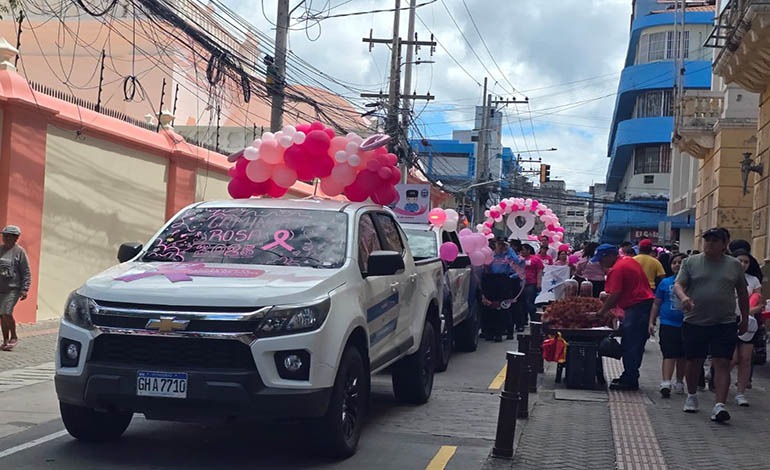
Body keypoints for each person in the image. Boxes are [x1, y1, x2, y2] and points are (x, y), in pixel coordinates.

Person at [674, 227, 748, 423]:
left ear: (724, 244)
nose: (710, 244)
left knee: (722, 362)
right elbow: (678, 284)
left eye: (715, 241)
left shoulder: (734, 266)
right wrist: (684, 297)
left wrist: (746, 319)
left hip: (724, 321)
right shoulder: (691, 262)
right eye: (707, 240)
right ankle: (691, 396)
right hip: (695, 321)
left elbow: (742, 293)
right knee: (693, 361)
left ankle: (719, 405)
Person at [593, 244, 654, 391]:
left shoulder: (617, 269)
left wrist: (602, 311)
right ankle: (629, 375)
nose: (600, 264)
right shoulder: (629, 261)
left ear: (610, 256)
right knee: (635, 343)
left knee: (631, 344)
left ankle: (630, 379)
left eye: (601, 260)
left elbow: (615, 294)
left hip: (636, 307)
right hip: (642, 305)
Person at [648, 253, 687, 398]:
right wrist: (651, 321)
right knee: (669, 353)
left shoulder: (693, 283)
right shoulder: (665, 283)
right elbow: (657, 303)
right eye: (674, 262)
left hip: (687, 324)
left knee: (682, 355)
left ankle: (679, 381)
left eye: (680, 262)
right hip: (667, 323)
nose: (677, 265)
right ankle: (665, 382)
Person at [730, 249, 762, 407]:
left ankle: (741, 392)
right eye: (740, 261)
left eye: (746, 262)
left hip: (748, 323)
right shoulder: (727, 277)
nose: (743, 264)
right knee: (732, 358)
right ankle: (719, 380)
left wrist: (747, 311)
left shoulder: (754, 280)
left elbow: (759, 303)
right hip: (729, 320)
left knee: (746, 359)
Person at [481, 238, 524, 342]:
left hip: (505, 281)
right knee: (491, 307)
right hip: (492, 281)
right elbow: (486, 267)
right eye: (498, 244)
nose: (500, 246)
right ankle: (490, 332)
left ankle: (506, 331)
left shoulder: (508, 256)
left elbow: (519, 263)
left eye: (502, 244)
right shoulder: (491, 255)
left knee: (504, 307)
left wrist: (509, 250)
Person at [0, 225, 31, 351]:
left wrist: (25, 289)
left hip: (13, 289)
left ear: (15, 238)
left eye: (8, 236)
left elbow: (26, 272)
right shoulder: (0, 250)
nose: (5, 238)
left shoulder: (20, 252)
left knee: (7, 312)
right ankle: (5, 340)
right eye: (4, 235)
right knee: (1, 315)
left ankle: (14, 336)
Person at [519, 242, 544, 330]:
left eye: (523, 250)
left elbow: (539, 272)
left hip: (531, 284)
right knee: (521, 304)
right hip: (520, 284)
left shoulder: (535, 259)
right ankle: (522, 322)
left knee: (530, 303)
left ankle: (534, 321)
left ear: (528, 250)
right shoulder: (519, 259)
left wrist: (539, 283)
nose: (521, 252)